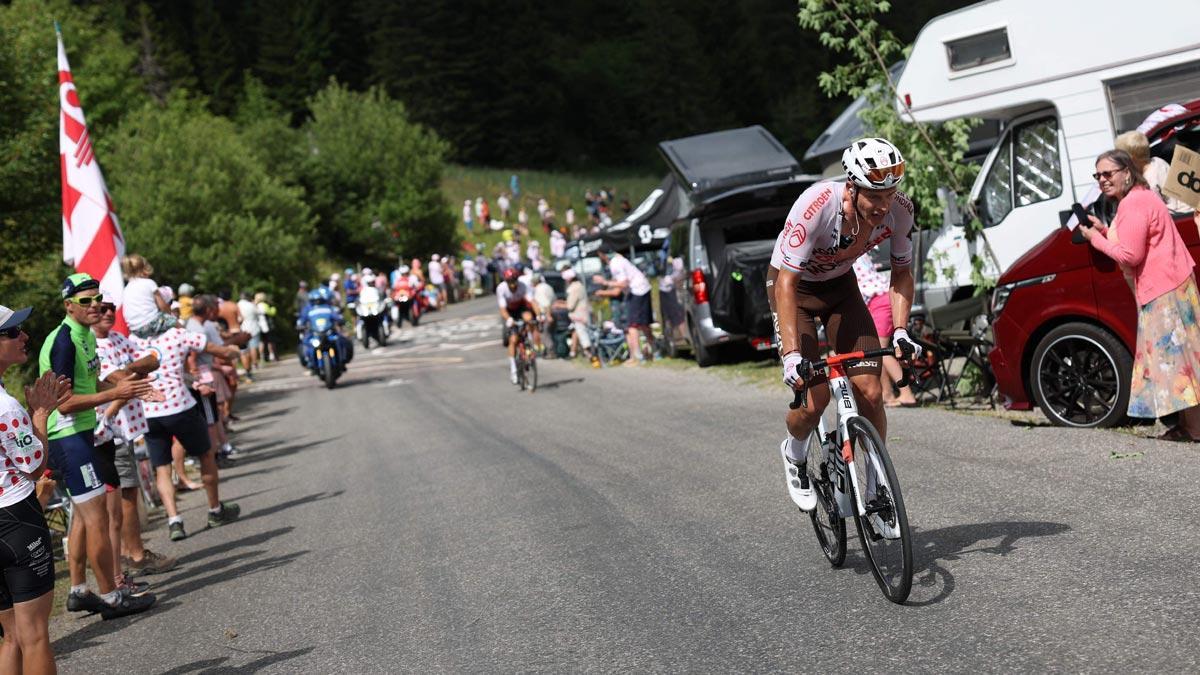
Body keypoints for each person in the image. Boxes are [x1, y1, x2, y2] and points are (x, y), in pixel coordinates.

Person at [773, 138, 922, 511]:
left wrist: (901, 330)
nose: (883, 205)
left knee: (871, 392)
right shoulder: (816, 205)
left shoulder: (899, 212)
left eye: (889, 193)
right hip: (794, 290)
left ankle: (875, 486)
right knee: (815, 399)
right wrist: (792, 355)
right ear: (852, 187)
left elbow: (902, 272)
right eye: (875, 196)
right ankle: (794, 451)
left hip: (840, 289)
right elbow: (785, 283)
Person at [39, 274, 158, 618]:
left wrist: (128, 381)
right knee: (97, 519)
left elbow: (93, 382)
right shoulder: (64, 341)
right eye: (86, 301)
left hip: (82, 434)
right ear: (68, 305)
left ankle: (78, 590)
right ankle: (110, 596)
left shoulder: (85, 334)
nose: (95, 306)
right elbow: (64, 403)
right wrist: (114, 394)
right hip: (67, 435)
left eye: (98, 300)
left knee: (81, 515)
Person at [1079, 149, 1200, 441]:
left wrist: (1095, 240)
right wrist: (1106, 231)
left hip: (1163, 290)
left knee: (1179, 364)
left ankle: (1194, 429)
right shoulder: (1142, 197)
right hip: (1173, 283)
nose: (1103, 181)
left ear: (1127, 172)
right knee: (1181, 361)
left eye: (1108, 174)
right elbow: (1134, 239)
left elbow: (1131, 255)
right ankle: (1188, 426)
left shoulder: (1133, 203)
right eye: (1098, 176)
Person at [0, 305, 72, 671]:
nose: (24, 336)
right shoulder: (6, 405)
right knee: (34, 635)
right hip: (15, 519)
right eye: (12, 332)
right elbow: (33, 466)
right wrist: (41, 413)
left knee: (10, 636)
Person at [134, 310, 243, 541]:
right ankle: (215, 510)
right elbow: (216, 349)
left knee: (162, 467)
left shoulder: (133, 340)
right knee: (206, 455)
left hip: (150, 411)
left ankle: (174, 520)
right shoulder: (178, 334)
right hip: (179, 407)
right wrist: (234, 350)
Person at [91, 298, 178, 579]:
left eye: (111, 309)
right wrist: (134, 371)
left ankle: (130, 554)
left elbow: (154, 357)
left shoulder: (118, 338)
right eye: (101, 308)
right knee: (123, 495)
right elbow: (117, 379)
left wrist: (131, 371)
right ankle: (135, 557)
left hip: (125, 427)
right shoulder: (90, 345)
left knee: (127, 493)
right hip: (108, 428)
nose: (107, 313)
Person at [853, 254, 918, 407]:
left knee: (880, 350)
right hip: (880, 297)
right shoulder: (856, 252)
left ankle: (906, 394)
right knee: (876, 350)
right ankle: (887, 394)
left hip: (880, 299)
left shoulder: (844, 258)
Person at [594, 245, 654, 366]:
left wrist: (604, 283)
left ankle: (637, 357)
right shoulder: (618, 260)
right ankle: (654, 350)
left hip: (637, 290)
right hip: (641, 288)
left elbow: (623, 284)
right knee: (643, 324)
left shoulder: (615, 263)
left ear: (602, 255)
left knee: (632, 325)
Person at [1114, 130, 1193, 214]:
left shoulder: (1150, 182)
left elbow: (1156, 212)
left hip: (1181, 215)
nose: (1119, 160)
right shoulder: (1157, 161)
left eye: (1121, 156)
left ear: (1131, 158)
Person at [497, 268, 543, 384]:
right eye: (509, 282)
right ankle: (513, 369)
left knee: (529, 319)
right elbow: (502, 309)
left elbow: (533, 302)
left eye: (514, 281)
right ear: (506, 282)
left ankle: (529, 343)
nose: (512, 285)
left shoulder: (523, 286)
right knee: (513, 340)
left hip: (521, 308)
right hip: (509, 312)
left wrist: (539, 315)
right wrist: (509, 319)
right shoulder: (501, 289)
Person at [121, 254, 175, 339]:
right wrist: (170, 316)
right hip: (151, 323)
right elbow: (163, 306)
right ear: (145, 269)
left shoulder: (125, 289)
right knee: (177, 325)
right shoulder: (149, 283)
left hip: (134, 329)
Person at [563, 268, 596, 364]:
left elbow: (570, 305)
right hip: (584, 314)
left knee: (583, 335)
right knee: (577, 332)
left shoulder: (574, 288)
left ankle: (591, 355)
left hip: (579, 316)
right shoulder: (580, 285)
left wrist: (560, 304)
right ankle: (573, 352)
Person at [237, 292, 261, 375]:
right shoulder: (251, 305)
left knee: (244, 351)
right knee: (253, 347)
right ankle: (254, 363)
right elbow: (259, 313)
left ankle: (247, 368)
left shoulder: (237, 305)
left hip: (242, 329)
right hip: (253, 327)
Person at [255, 292, 277, 363]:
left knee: (261, 342)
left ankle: (262, 357)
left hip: (258, 326)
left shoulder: (255, 306)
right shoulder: (264, 305)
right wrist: (273, 308)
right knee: (270, 341)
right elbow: (271, 313)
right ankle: (272, 355)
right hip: (266, 326)